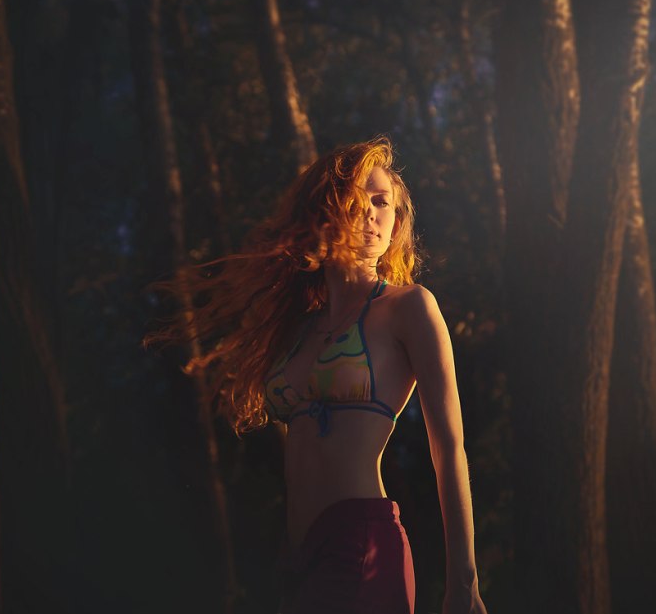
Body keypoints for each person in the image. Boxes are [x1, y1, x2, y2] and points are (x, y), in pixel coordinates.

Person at [144, 137, 487, 614]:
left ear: (397, 220)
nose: (371, 213)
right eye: (357, 199)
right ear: (326, 210)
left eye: (382, 202)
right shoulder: (299, 326)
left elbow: (449, 448)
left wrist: (463, 583)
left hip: (362, 544)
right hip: (299, 560)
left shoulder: (408, 307)